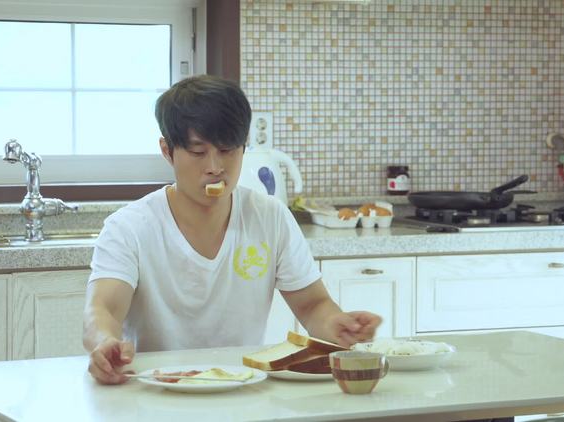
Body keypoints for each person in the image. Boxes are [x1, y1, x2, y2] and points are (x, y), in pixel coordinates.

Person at [83, 74, 382, 385]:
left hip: (242, 386)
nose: (215, 167)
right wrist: (104, 341)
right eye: (198, 152)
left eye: (227, 150)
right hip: (156, 389)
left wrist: (335, 324)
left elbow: (312, 304)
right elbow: (103, 308)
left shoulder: (270, 217)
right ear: (167, 150)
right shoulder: (129, 227)